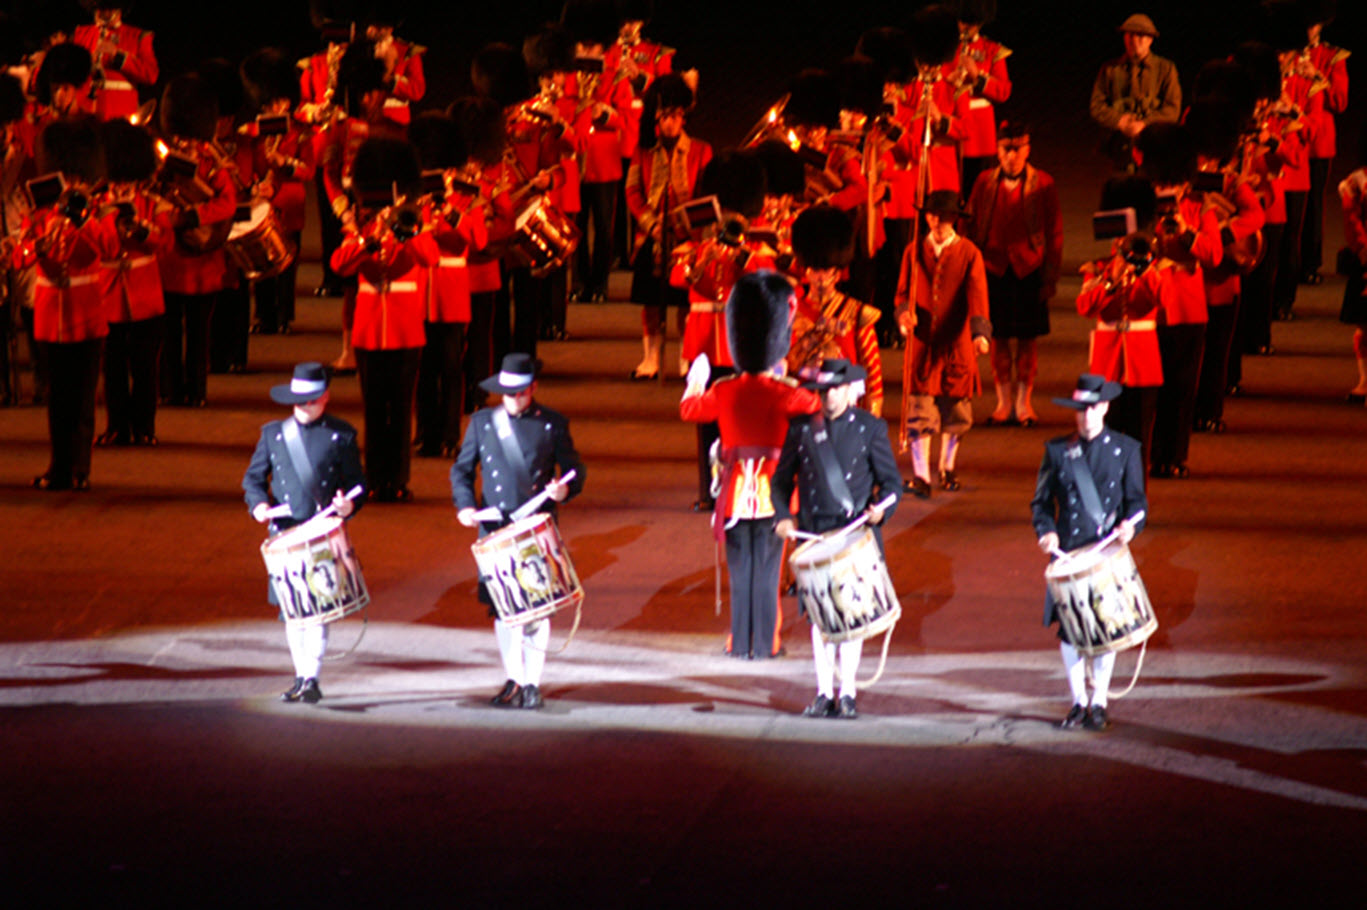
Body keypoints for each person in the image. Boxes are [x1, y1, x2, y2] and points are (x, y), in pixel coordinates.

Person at [681, 271, 820, 660]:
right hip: (775, 495)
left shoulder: (724, 390)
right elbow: (817, 407)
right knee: (769, 572)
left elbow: (689, 410)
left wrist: (696, 380)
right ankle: (766, 642)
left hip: (734, 495)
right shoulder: (786, 393)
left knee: (740, 572)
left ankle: (739, 641)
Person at [451, 352, 586, 710]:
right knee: (502, 607)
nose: (513, 400)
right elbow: (461, 470)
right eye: (508, 394)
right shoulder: (482, 423)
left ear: (533, 388)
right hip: (495, 527)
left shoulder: (552, 423)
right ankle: (513, 677)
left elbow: (575, 470)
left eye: (521, 393)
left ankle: (532, 684)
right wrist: (465, 506)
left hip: (535, 527)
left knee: (537, 608)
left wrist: (564, 489)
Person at [772, 358, 901, 718]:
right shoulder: (802, 429)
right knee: (820, 618)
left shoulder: (870, 428)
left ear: (849, 390)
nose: (829, 396)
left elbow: (892, 484)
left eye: (836, 390)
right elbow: (780, 482)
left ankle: (848, 693)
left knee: (851, 617)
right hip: (814, 534)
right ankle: (823, 692)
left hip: (853, 536)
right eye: (824, 390)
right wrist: (782, 516)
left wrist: (881, 510)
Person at [242, 362, 366, 704]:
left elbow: (358, 483)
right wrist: (258, 505)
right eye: (299, 402)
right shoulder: (273, 434)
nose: (304, 407)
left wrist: (348, 505)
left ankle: (311, 678)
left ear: (325, 398)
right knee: (292, 611)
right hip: (286, 534)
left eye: (311, 401)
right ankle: (301, 676)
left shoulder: (342, 435)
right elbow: (253, 479)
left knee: (317, 608)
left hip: (321, 534)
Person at [1031, 373, 1147, 732]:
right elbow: (1041, 503)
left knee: (1106, 628)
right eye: (1080, 410)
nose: (1085, 416)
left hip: (1105, 553)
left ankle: (1100, 702)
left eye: (1092, 409)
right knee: (1069, 630)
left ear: (1105, 407)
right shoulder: (1057, 451)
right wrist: (1046, 532)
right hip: (1068, 553)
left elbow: (1138, 504)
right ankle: (1078, 701)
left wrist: (1131, 526)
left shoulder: (1126, 449)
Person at [329, 136, 437, 503]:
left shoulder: (414, 223)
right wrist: (367, 241)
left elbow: (430, 257)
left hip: (405, 330)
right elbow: (339, 264)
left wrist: (406, 229)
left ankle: (399, 479)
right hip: (370, 330)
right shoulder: (360, 230)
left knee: (402, 409)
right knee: (374, 410)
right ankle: (375, 479)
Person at [15, 116, 115, 491]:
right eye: (67, 177)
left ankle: (80, 469)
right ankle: (59, 467)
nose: (72, 185)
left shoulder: (99, 208)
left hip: (86, 311)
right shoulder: (40, 210)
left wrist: (83, 220)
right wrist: (36, 247)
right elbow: (20, 255)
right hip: (50, 313)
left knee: (83, 398)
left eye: (77, 178)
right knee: (57, 399)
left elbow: (109, 247)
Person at [894, 188, 991, 497]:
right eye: (932, 216)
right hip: (923, 343)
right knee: (919, 408)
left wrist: (979, 333)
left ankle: (947, 468)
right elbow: (902, 292)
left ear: (954, 219)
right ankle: (921, 475)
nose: (937, 222)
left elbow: (978, 293)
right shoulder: (913, 250)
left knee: (956, 410)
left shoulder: (969, 253)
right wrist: (904, 315)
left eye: (944, 217)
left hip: (956, 342)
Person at [966, 120, 1062, 426]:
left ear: (1027, 149)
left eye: (1017, 149)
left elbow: (1054, 232)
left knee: (1027, 341)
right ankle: (1003, 402)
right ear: (997, 150)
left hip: (1029, 269)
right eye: (1006, 149)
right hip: (993, 269)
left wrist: (1050, 275)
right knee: (997, 339)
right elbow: (969, 222)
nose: (1011, 156)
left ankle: (1024, 403)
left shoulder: (1043, 183)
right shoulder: (984, 182)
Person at [625, 72, 711, 380]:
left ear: (683, 117)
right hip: (652, 235)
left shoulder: (701, 150)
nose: (670, 123)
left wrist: (686, 228)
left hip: (688, 237)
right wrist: (651, 225)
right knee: (650, 303)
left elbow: (704, 195)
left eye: (675, 116)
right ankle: (650, 359)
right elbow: (633, 192)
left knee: (685, 303)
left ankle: (686, 358)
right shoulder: (642, 151)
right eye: (665, 117)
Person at [1089, 13, 1181, 171]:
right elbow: (1096, 106)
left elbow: (1172, 109)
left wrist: (1145, 124)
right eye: (1129, 35)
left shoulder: (1166, 69)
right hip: (1118, 148)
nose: (1134, 40)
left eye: (1140, 35)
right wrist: (1119, 121)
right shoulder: (1110, 69)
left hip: (1154, 146)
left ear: (1150, 39)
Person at [72, 0, 158, 122]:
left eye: (109, 8)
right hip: (86, 111)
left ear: (119, 9)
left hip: (121, 111)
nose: (104, 12)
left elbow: (151, 74)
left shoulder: (137, 36)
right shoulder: (81, 34)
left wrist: (118, 57)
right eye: (101, 8)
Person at [1339, 159, 1367, 404]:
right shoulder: (1357, 181)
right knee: (1363, 324)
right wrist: (1361, 248)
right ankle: (1365, 381)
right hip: (1364, 254)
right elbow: (1351, 218)